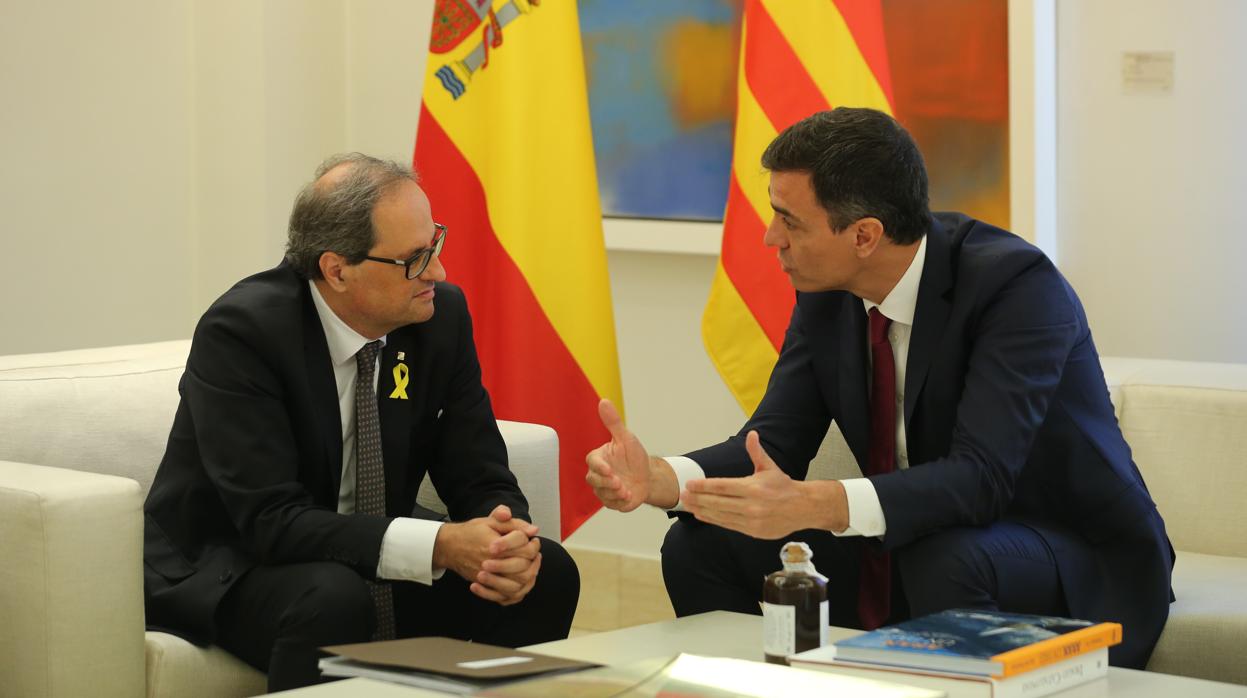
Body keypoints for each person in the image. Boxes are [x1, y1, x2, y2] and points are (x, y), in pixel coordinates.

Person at [585, 108, 1173, 668]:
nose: (770, 239)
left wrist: (818, 502)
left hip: (1063, 544)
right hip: (919, 537)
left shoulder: (1015, 287)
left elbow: (981, 480)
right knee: (703, 543)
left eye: (789, 221)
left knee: (942, 554)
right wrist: (662, 478)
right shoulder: (827, 293)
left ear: (865, 234)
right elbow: (773, 443)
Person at [143, 153, 579, 691]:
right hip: (238, 561)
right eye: (414, 259)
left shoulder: (438, 318)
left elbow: (478, 468)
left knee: (547, 573)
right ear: (336, 269)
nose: (437, 273)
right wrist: (440, 545)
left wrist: (506, 539)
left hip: (367, 547)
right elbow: (271, 521)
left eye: (435, 246)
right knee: (332, 595)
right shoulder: (244, 332)